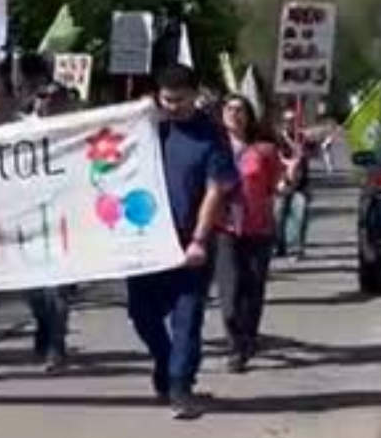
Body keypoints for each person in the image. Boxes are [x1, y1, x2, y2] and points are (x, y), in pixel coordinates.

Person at [126, 64, 238, 420]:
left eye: (179, 100)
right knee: (141, 314)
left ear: (195, 95)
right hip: (145, 240)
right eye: (166, 99)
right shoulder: (147, 129)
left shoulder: (212, 136)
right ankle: (164, 358)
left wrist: (199, 240)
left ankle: (180, 387)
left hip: (189, 242)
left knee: (187, 318)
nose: (172, 106)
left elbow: (215, 190)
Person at [216, 95, 281, 372]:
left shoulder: (264, 150)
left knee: (252, 290)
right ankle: (234, 341)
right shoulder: (213, 147)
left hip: (258, 228)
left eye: (240, 109)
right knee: (229, 294)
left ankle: (246, 341)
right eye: (229, 109)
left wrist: (289, 179)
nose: (234, 114)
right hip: (224, 228)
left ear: (249, 116)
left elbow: (276, 186)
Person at [24, 78, 77, 372]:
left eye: (55, 97)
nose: (48, 101)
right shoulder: (20, 130)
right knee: (33, 291)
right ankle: (43, 325)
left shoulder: (75, 131)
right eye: (42, 95)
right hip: (28, 220)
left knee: (57, 290)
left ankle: (57, 347)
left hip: (65, 221)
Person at [276, 107, 312, 259]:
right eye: (286, 120)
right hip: (283, 181)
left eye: (292, 120)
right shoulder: (278, 138)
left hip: (301, 183)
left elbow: (303, 153)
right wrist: (286, 162)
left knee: (301, 214)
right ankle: (281, 246)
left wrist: (290, 140)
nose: (289, 123)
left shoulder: (303, 137)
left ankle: (299, 249)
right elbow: (276, 156)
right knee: (279, 215)